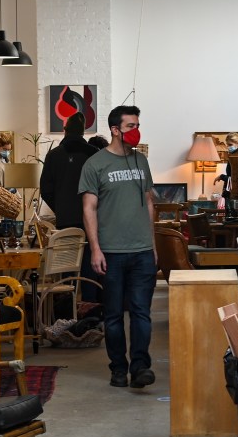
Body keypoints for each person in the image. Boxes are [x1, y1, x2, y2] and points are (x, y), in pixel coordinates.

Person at [80, 105, 157, 388]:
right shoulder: (95, 164)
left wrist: (153, 244)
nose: (136, 132)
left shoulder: (141, 161)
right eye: (130, 127)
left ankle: (140, 367)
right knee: (113, 315)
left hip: (142, 251)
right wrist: (95, 249)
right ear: (115, 130)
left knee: (141, 312)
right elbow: (89, 208)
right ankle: (118, 368)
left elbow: (148, 202)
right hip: (111, 252)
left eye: (138, 126)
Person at [40, 112, 98, 299]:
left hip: (65, 221)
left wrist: (60, 208)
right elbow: (103, 188)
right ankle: (90, 308)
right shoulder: (94, 154)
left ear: (65, 130)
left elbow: (45, 190)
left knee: (66, 267)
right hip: (91, 220)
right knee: (90, 266)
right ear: (83, 131)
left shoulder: (54, 155)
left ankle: (66, 308)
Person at [214, 132, 238, 214]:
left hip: (234, 194)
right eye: (227, 145)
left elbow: (237, 179)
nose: (228, 147)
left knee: (231, 218)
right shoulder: (235, 156)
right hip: (234, 193)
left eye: (230, 144)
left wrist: (222, 177)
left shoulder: (237, 157)